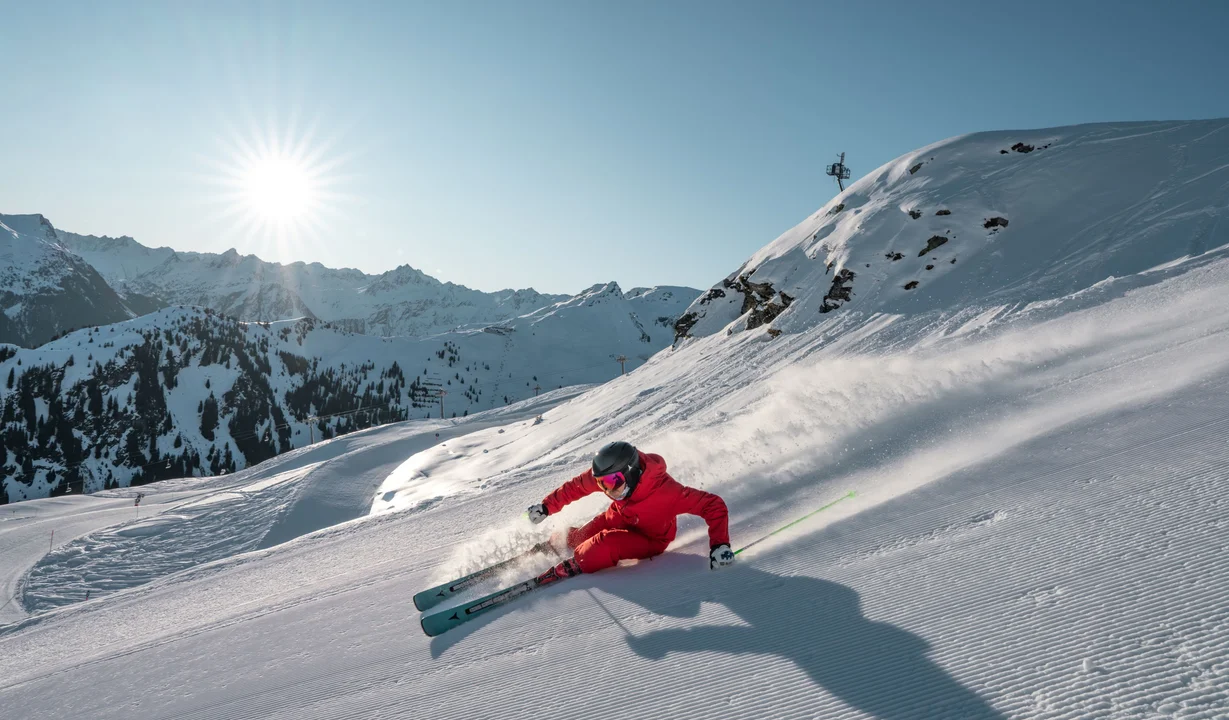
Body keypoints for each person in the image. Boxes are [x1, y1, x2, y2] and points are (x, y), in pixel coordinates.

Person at [526, 441, 735, 585]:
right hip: (618, 517)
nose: (606, 489)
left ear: (631, 471)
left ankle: (575, 564)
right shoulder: (611, 477)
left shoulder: (666, 492)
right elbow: (576, 487)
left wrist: (720, 545)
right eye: (601, 483)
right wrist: (546, 506)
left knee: (603, 544)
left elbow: (713, 505)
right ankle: (558, 544)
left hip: (650, 538)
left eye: (611, 482)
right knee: (578, 537)